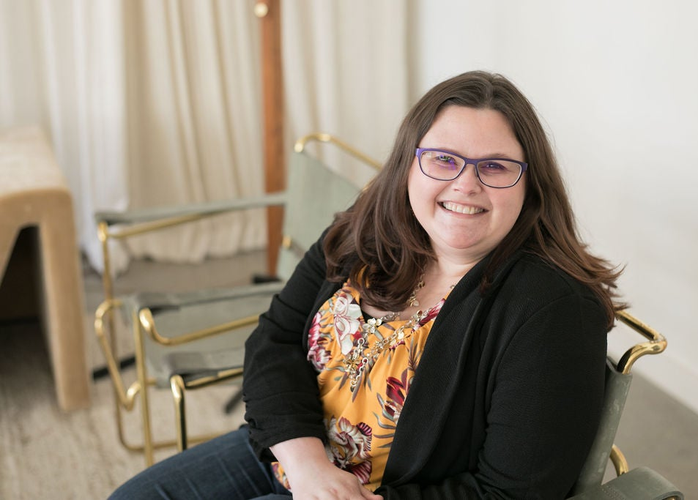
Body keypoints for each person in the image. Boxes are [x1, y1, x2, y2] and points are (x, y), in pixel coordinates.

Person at [111, 70, 622, 499]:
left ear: (530, 184)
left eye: (495, 167)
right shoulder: (370, 229)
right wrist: (307, 463)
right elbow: (275, 339)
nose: (467, 184)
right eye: (444, 159)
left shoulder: (552, 307)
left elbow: (511, 494)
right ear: (409, 164)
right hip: (295, 449)